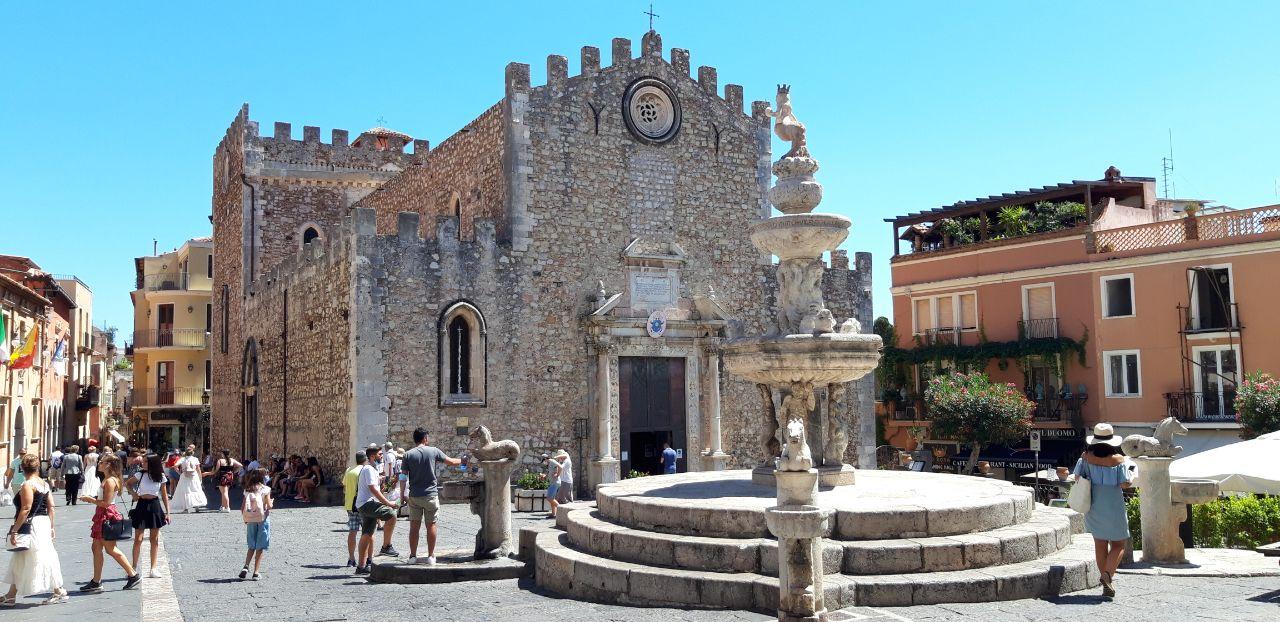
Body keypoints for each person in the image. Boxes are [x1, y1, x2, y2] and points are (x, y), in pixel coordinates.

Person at [1073, 423, 1134, 598]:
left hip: (1093, 504)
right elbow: (1124, 484)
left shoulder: (1084, 457)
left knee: (1100, 544)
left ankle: (1105, 579)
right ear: (1111, 441)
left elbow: (1077, 477)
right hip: (1113, 505)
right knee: (1118, 545)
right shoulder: (1119, 460)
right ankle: (1107, 576)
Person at [1, 453, 69, 606]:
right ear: (38, 467)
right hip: (43, 522)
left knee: (34, 556)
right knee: (26, 557)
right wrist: (51, 526)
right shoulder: (44, 484)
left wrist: (14, 530)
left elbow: (26, 508)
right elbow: (51, 506)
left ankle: (58, 590)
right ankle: (11, 595)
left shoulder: (28, 485)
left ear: (22, 468)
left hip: (32, 525)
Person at [79, 454, 141, 593]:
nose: (99, 463)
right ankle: (96, 581)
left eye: (102, 462)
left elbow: (106, 503)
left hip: (106, 514)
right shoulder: (108, 479)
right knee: (96, 547)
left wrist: (90, 499)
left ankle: (132, 574)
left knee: (110, 548)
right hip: (102, 513)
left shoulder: (110, 481)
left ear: (108, 465)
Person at [401, 428, 462, 565]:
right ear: (424, 439)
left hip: (414, 495)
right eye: (427, 437)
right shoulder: (433, 451)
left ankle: (412, 556)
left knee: (414, 527)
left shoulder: (407, 455)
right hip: (430, 495)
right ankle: (430, 556)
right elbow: (451, 462)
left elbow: (403, 476)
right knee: (431, 525)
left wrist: (401, 494)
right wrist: (463, 461)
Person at [354, 446, 399, 575]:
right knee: (391, 514)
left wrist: (383, 482)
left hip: (364, 504)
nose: (382, 456)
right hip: (367, 504)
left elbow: (374, 489)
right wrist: (388, 503)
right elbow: (373, 489)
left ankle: (361, 566)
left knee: (367, 533)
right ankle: (386, 546)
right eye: (380, 454)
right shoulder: (368, 469)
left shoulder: (371, 469)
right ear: (373, 457)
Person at [127, 454, 170, 578]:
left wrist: (168, 513)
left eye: (146, 462)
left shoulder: (160, 477)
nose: (143, 464)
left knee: (154, 539)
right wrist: (134, 494)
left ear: (153, 463)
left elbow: (164, 495)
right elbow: (127, 484)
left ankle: (153, 568)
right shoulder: (140, 474)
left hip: (155, 506)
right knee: (138, 539)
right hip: (141, 505)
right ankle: (133, 568)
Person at [238, 468, 272, 581]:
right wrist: (271, 502)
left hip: (251, 520)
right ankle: (256, 572)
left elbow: (242, 507)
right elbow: (269, 506)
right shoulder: (266, 489)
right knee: (260, 547)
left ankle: (246, 566)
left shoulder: (248, 490)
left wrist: (246, 519)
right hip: (262, 520)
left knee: (251, 545)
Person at [341, 452, 366, 568]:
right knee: (367, 533)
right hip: (361, 505)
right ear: (365, 459)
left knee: (352, 531)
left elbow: (345, 487)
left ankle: (351, 558)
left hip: (350, 505)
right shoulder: (365, 471)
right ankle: (365, 559)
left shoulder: (349, 470)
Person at [169, 448, 207, 513]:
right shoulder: (195, 459)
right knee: (195, 489)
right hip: (194, 476)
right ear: (193, 453)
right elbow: (198, 469)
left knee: (186, 491)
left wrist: (180, 473)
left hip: (184, 476)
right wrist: (200, 477)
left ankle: (186, 509)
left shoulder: (182, 459)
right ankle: (197, 506)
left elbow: (175, 466)